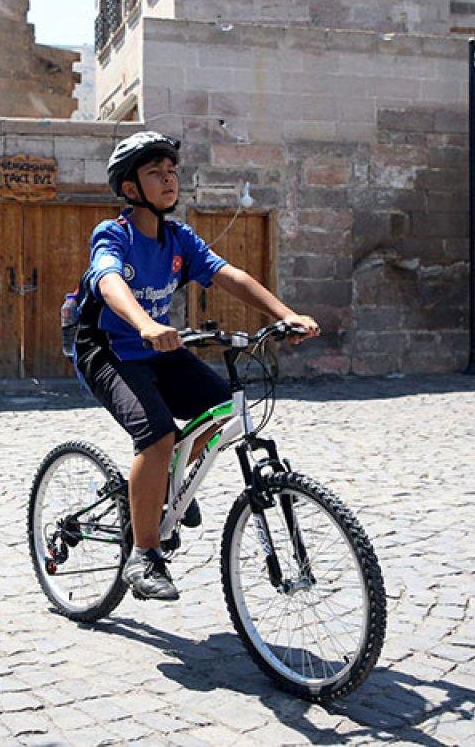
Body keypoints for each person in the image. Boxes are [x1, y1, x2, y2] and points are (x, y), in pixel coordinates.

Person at [73, 131, 319, 602]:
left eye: (172, 172)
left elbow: (230, 275)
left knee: (223, 408)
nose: (169, 180)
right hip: (108, 349)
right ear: (130, 188)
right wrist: (145, 323)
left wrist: (284, 314)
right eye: (155, 173)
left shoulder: (179, 238)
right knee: (157, 434)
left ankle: (165, 482)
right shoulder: (114, 234)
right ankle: (144, 555)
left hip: (157, 347)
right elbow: (108, 281)